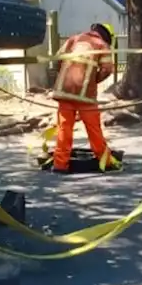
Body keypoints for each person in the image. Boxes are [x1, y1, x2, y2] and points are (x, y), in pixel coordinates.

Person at [51, 22, 121, 173]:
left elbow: (57, 59)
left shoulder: (74, 39)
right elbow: (107, 69)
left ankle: (60, 165)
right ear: (107, 36)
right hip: (85, 96)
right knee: (93, 129)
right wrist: (93, 80)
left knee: (64, 129)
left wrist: (64, 76)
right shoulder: (102, 45)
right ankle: (106, 162)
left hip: (64, 92)